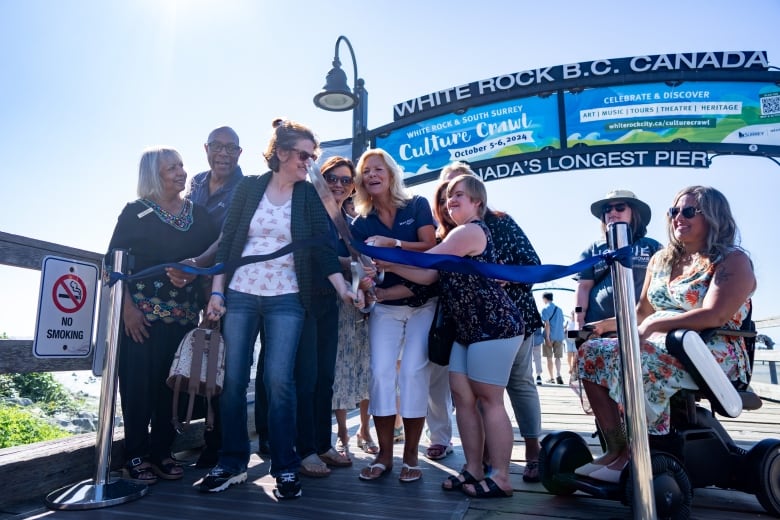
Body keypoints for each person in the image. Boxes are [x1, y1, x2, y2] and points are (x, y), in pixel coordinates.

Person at [197, 119, 362, 498]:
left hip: (288, 297)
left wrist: (343, 290)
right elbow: (228, 247)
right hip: (240, 293)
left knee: (279, 381)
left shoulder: (308, 196)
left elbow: (321, 251)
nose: (310, 162)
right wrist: (217, 292)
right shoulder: (250, 188)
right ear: (282, 152)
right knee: (234, 380)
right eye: (305, 155)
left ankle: (285, 465)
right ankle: (232, 461)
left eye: (313, 156)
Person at [574, 185, 755, 484]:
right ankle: (617, 446)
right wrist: (604, 327)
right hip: (658, 342)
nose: (678, 218)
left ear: (713, 216)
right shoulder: (662, 260)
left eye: (688, 211)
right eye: (674, 212)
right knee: (591, 352)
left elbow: (715, 315)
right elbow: (642, 311)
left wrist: (655, 327)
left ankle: (640, 452)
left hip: (708, 350)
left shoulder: (731, 260)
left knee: (639, 358)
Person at [383, 174, 523, 498]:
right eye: (448, 197)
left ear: (478, 202)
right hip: (465, 330)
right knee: (462, 400)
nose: (451, 201)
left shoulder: (470, 231)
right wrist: (388, 265)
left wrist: (392, 251)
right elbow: (429, 274)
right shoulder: (452, 239)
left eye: (459, 195)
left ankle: (501, 476)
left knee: (490, 401)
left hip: (494, 325)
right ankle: (473, 468)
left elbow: (430, 260)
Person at [107, 146, 220, 484]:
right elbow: (112, 265)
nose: (182, 172)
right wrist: (127, 310)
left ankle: (162, 452)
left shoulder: (199, 216)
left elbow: (213, 262)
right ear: (154, 175)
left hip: (184, 321)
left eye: (182, 165)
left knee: (174, 390)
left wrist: (208, 310)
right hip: (140, 319)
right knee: (138, 388)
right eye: (172, 168)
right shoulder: (135, 212)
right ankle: (136, 455)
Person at [436, 161, 545, 483]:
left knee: (519, 385)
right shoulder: (447, 231)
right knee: (473, 394)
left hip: (511, 316)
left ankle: (533, 452)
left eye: (460, 187)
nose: (453, 194)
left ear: (476, 195)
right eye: (447, 189)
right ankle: (482, 462)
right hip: (468, 322)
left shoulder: (499, 221)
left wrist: (500, 277)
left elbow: (531, 263)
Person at [349, 148, 437, 483]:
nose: (371, 175)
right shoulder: (359, 223)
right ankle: (384, 455)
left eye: (377, 169)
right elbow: (363, 269)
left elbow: (431, 247)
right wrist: (364, 283)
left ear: (391, 173)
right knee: (380, 372)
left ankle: (411, 455)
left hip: (423, 303)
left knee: (414, 371)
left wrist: (393, 243)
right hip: (385, 305)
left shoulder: (416, 205)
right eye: (365, 171)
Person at [171, 126, 244, 469]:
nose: (224, 154)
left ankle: (218, 445)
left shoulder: (245, 187)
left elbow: (229, 238)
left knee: (221, 367)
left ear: (240, 154)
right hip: (189, 285)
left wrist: (197, 264)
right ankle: (189, 437)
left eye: (231, 148)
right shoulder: (197, 181)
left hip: (226, 286)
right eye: (218, 146)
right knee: (192, 360)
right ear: (206, 148)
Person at [295, 156, 355, 477]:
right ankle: (304, 449)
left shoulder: (345, 221)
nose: (338, 185)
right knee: (305, 378)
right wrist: (346, 265)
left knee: (324, 379)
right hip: (301, 299)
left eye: (346, 180)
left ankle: (322, 443)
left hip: (329, 303)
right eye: (332, 177)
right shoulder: (305, 204)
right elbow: (311, 251)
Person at [574, 189, 663, 331]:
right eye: (607, 209)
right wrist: (578, 319)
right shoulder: (593, 249)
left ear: (634, 213)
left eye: (620, 207)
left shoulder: (653, 247)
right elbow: (583, 287)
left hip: (643, 327)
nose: (612, 212)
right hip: (598, 329)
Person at [541, 292, 565, 384]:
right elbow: (561, 323)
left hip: (550, 336)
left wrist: (547, 338)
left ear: (545, 299)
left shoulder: (545, 309)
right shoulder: (560, 309)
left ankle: (551, 378)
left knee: (549, 357)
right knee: (558, 357)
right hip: (559, 336)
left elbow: (547, 324)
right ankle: (558, 374)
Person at [565, 310, 578, 383]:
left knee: (574, 355)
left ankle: (573, 368)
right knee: (569, 355)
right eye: (572, 314)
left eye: (573, 314)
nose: (572, 316)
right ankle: (570, 367)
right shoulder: (568, 322)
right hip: (568, 340)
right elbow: (565, 329)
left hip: (575, 340)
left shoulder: (577, 323)